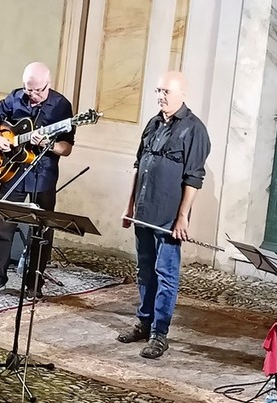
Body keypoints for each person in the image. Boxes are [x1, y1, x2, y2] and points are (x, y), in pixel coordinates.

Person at [116, 71, 211, 359]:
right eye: (158, 91)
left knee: (166, 274)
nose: (160, 96)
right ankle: (144, 323)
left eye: (166, 92)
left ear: (182, 94)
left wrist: (183, 217)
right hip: (144, 211)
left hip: (169, 217)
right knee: (144, 270)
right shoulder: (153, 124)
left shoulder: (194, 130)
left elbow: (194, 178)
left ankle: (159, 333)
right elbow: (139, 165)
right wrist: (130, 206)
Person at [0, 62, 74, 298]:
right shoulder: (15, 97)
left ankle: (34, 283)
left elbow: (66, 148)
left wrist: (48, 144)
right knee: (3, 225)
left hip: (43, 175)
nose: (32, 95)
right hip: (13, 172)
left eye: (38, 90)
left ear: (48, 84)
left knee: (42, 231)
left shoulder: (61, 106)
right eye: (28, 90)